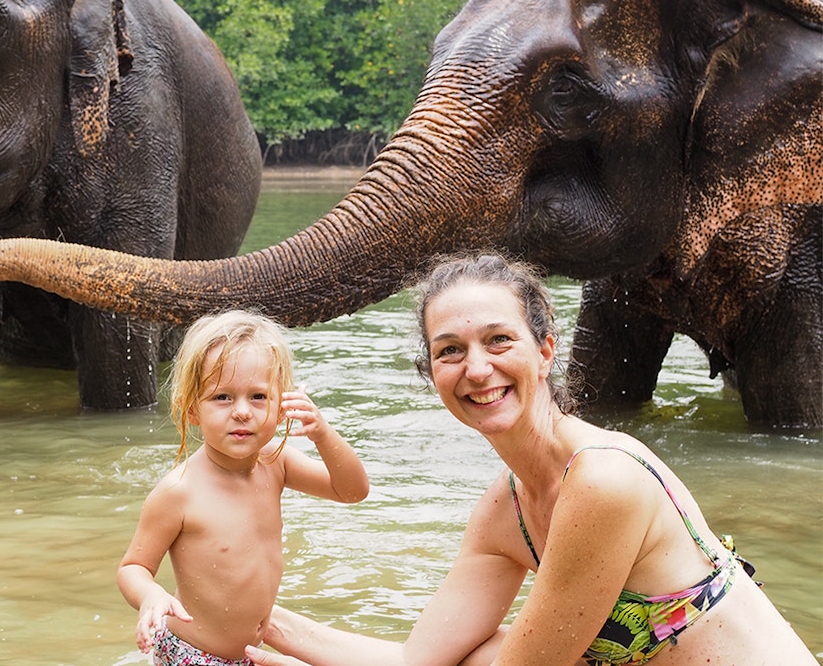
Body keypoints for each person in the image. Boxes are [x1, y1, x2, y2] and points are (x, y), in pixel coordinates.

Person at [241, 253, 815, 666]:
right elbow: (419, 658)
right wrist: (254, 625)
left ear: (544, 352)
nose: (477, 369)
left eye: (499, 340)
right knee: (476, 653)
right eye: (450, 351)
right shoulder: (504, 511)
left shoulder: (604, 478)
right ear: (432, 375)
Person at [118, 309, 370, 666]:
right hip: (192, 655)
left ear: (281, 407)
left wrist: (323, 434)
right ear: (192, 409)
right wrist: (150, 596)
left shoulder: (277, 463)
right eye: (222, 397)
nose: (241, 412)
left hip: (251, 654)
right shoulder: (180, 492)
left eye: (258, 397)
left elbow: (352, 491)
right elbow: (132, 568)